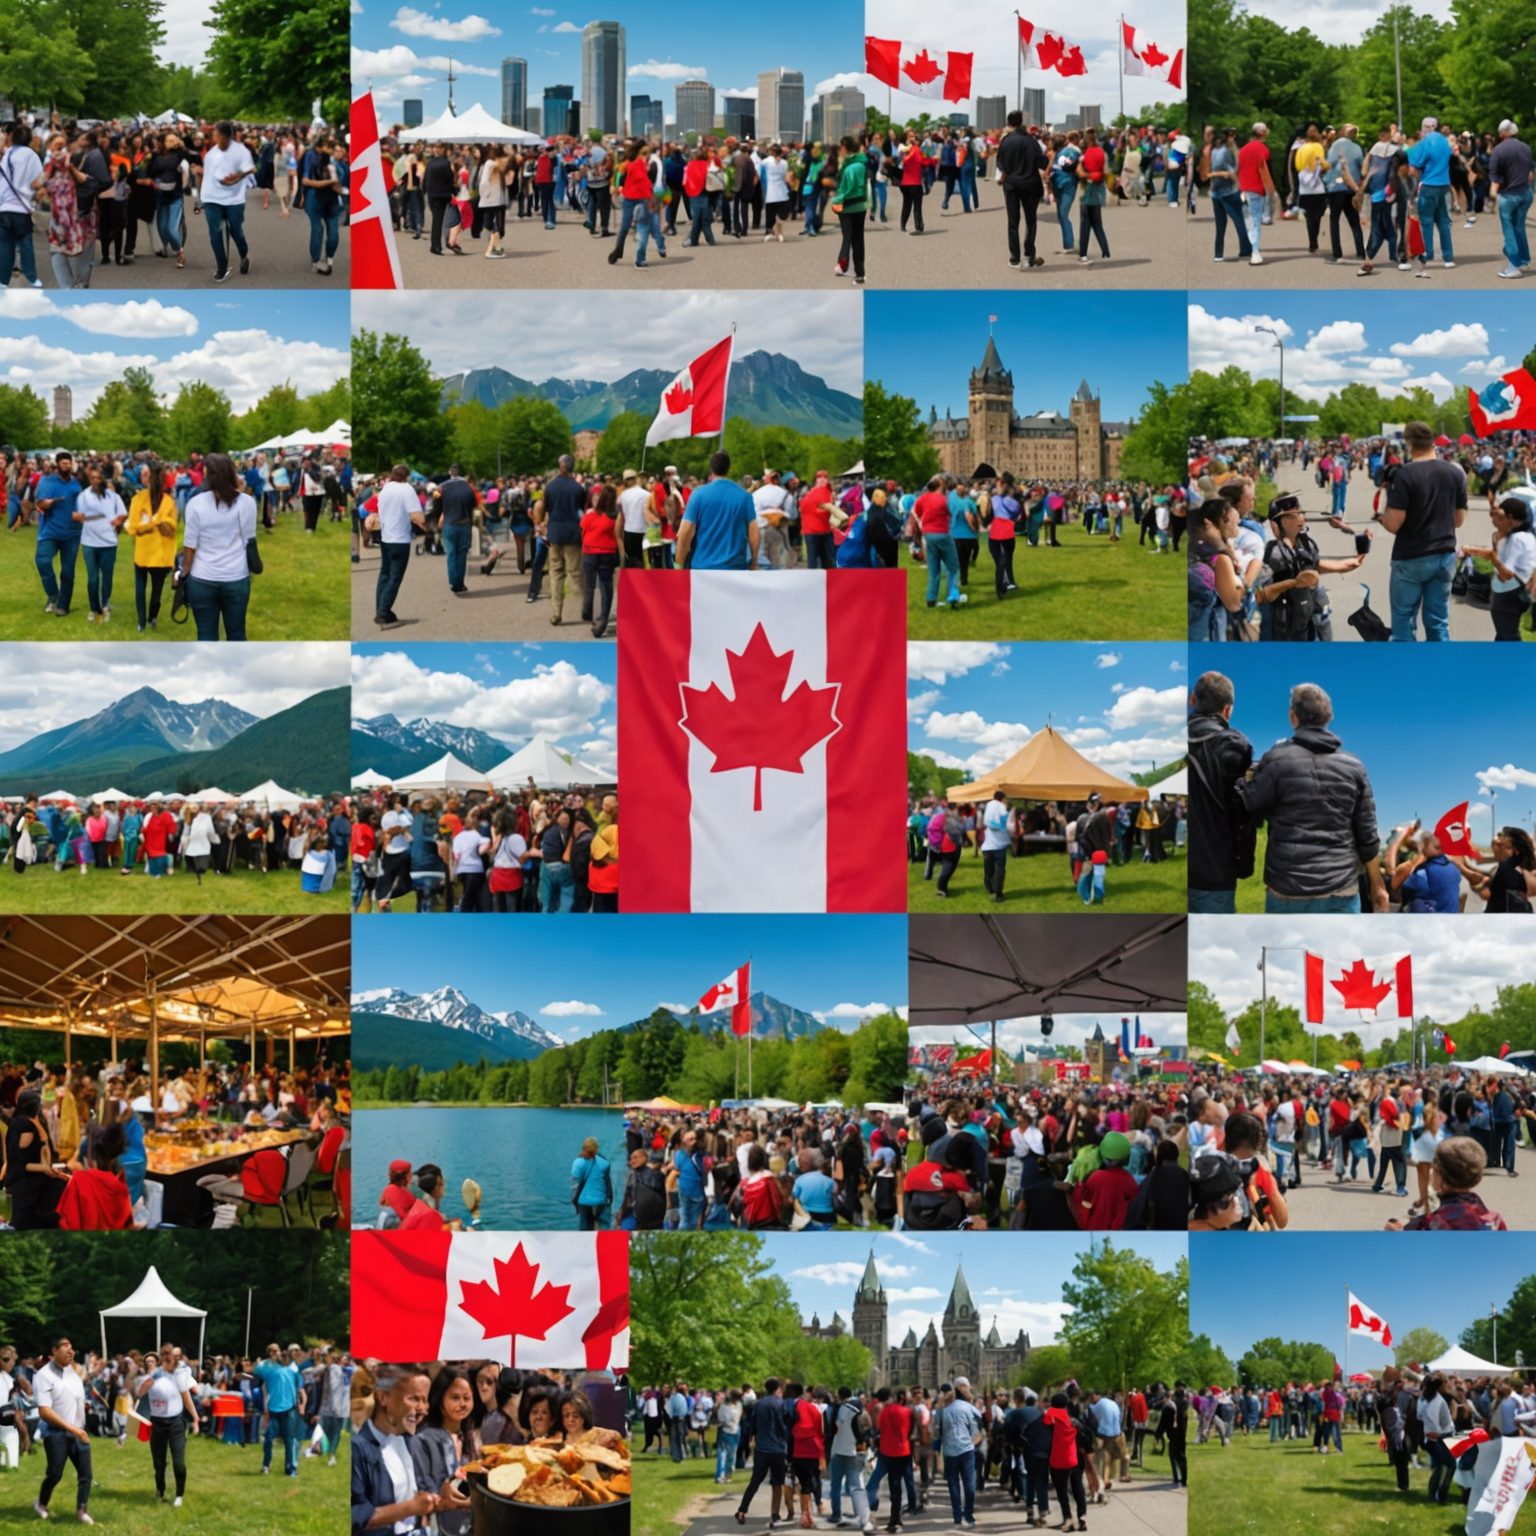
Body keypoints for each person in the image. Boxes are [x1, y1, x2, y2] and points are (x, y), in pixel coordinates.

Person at [1236, 682, 1388, 913]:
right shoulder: (1355, 767)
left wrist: (1246, 779)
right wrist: (1378, 886)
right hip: (1341, 890)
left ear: (1292, 716)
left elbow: (1249, 807)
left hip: (1288, 889)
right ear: (1328, 717)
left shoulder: (1276, 760)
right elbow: (1367, 834)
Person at [1381, 420, 1466, 640]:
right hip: (1444, 554)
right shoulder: (1456, 473)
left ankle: (1408, 670)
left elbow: (1394, 524)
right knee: (1438, 622)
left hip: (1411, 556)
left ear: (1409, 443)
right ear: (1433, 442)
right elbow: (1459, 520)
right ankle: (1438, 671)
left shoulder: (1405, 474)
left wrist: (1381, 517)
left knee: (1403, 620)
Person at [178, 452, 258, 640]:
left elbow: (190, 547)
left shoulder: (196, 504)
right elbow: (249, 540)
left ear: (208, 475)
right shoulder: (247, 502)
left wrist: (183, 574)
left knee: (206, 634)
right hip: (236, 577)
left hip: (202, 577)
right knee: (237, 634)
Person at [33, 1336, 92, 1525]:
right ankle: (41, 1503)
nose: (70, 1351)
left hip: (78, 1432)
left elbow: (74, 1398)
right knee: (55, 1474)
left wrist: (83, 1410)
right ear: (54, 1351)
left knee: (86, 1475)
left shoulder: (72, 1373)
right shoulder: (43, 1376)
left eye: (72, 1347)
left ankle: (82, 1510)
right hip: (56, 1433)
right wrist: (73, 1429)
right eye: (65, 1346)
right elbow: (44, 1411)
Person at [1461, 495, 1536, 640]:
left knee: (1507, 636)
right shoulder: (1514, 536)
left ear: (1510, 518)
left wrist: (1493, 558)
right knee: (1506, 635)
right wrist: (1474, 551)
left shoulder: (1519, 539)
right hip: (1508, 593)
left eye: (1500, 515)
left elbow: (1506, 574)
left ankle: (1510, 661)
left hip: (1510, 593)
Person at [677, 452, 759, 570]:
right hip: (734, 568)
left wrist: (678, 566)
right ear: (728, 468)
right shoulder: (744, 496)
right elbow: (753, 532)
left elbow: (685, 531)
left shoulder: (698, 495)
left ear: (711, 469)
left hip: (703, 568)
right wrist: (754, 563)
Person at [126, 458, 178, 632]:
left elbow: (172, 529)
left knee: (157, 591)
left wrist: (160, 523)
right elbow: (133, 527)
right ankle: (141, 621)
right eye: (141, 473)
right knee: (140, 589)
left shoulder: (168, 502)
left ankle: (152, 617)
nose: (143, 476)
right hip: (143, 552)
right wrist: (153, 524)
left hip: (161, 554)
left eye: (146, 473)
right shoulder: (138, 499)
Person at [198, 121, 254, 281]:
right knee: (214, 231)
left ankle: (243, 255)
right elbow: (209, 175)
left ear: (228, 137)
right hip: (212, 198)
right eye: (215, 135)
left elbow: (249, 169)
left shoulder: (241, 151)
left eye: (218, 135)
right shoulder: (210, 154)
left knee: (235, 230)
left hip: (234, 199)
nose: (215, 138)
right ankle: (221, 267)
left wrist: (235, 178)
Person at [146, 1341, 199, 1507]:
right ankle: (160, 1491)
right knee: (159, 1463)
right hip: (157, 1423)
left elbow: (188, 1396)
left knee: (179, 1462)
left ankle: (179, 1495)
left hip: (176, 1422)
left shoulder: (180, 1373)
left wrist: (196, 1418)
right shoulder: (153, 1377)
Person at [33, 449, 83, 617]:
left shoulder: (76, 484)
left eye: (69, 463)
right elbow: (38, 504)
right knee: (43, 561)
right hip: (50, 531)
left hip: (72, 533)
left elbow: (83, 505)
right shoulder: (47, 482)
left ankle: (63, 605)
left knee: (68, 571)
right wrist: (44, 504)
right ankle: (53, 593)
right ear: (58, 465)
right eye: (64, 463)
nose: (67, 466)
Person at [998, 112, 1048, 269]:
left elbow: (1001, 165)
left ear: (1009, 123)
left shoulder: (1005, 141)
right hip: (1030, 183)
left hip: (1012, 184)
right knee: (1030, 220)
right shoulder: (1031, 141)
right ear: (1021, 122)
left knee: (1013, 221)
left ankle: (1014, 256)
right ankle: (1029, 253)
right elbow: (1042, 162)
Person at [0, 120, 46, 289]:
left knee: (5, 247)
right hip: (22, 208)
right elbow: (38, 182)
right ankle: (32, 278)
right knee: (25, 244)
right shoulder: (31, 155)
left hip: (4, 208)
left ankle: (3, 281)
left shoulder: (8, 154)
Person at [252, 1341, 306, 1478]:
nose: (277, 1355)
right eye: (272, 1352)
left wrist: (301, 1404)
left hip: (289, 1410)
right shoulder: (268, 1369)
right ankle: (266, 1465)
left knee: (289, 1440)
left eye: (278, 1352)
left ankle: (291, 1468)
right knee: (269, 1438)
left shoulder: (293, 1370)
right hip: (274, 1410)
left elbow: (300, 1387)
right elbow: (254, 1370)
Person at [1488, 119, 1533, 279]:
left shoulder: (1498, 151)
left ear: (1501, 134)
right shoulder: (1526, 148)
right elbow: (1530, 174)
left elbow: (1495, 178)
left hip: (1508, 195)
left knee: (1509, 229)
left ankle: (1514, 266)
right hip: (1525, 194)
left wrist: (1493, 193)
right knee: (1519, 226)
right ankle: (1523, 258)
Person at [570, 1135, 614, 1230]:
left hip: (585, 1200)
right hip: (602, 1200)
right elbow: (607, 1180)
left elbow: (575, 1179)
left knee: (584, 1227)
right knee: (604, 1227)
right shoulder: (603, 1161)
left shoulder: (579, 1162)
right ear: (597, 1148)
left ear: (583, 1148)